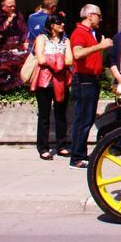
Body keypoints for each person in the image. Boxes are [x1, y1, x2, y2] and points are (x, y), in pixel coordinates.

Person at [68, 4, 113, 169]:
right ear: (90, 15)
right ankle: (77, 157)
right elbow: (77, 53)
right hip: (83, 80)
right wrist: (101, 46)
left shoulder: (88, 33)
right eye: (99, 16)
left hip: (89, 79)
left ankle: (79, 154)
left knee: (86, 118)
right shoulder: (80, 32)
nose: (100, 19)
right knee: (83, 119)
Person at [31, 14, 73, 160]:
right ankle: (43, 147)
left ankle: (61, 145)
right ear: (51, 25)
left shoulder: (66, 40)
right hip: (45, 80)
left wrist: (54, 60)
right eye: (58, 23)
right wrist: (58, 61)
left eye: (63, 22)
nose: (62, 25)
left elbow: (70, 60)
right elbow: (40, 59)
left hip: (61, 79)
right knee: (44, 115)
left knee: (61, 114)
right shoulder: (41, 38)